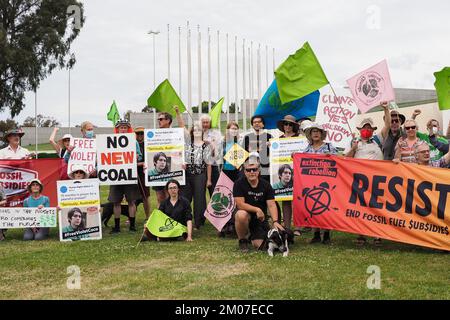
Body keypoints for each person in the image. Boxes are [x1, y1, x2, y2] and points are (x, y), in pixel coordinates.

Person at [233, 156, 283, 253]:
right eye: (248, 170)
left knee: (260, 246)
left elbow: (272, 205)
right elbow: (240, 205)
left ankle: (252, 235)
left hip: (259, 218)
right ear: (244, 171)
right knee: (241, 215)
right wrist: (257, 209)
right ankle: (242, 240)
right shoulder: (238, 184)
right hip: (245, 215)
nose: (252, 172)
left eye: (254, 169)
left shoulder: (266, 185)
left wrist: (276, 221)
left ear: (259, 170)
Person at [345, 118, 383, 246]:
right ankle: (361, 234)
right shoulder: (353, 142)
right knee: (361, 207)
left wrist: (385, 109)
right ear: (360, 130)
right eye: (364, 128)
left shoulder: (378, 140)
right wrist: (353, 149)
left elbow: (388, 125)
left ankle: (377, 235)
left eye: (369, 128)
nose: (366, 130)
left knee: (376, 207)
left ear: (373, 130)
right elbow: (346, 159)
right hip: (360, 180)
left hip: (376, 179)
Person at [303, 123, 338, 244]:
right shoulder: (307, 149)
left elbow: (338, 160)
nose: (316, 133)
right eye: (313, 132)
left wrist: (331, 157)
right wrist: (294, 156)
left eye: (318, 131)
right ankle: (316, 234)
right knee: (314, 207)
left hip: (326, 182)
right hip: (312, 183)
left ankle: (327, 234)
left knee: (327, 206)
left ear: (322, 134)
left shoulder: (329, 146)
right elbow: (301, 161)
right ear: (310, 135)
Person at [108, 119, 143, 234]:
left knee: (131, 201)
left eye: (125, 127)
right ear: (117, 129)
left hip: (129, 174)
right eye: (121, 127)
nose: (123, 129)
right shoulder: (110, 141)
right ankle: (117, 227)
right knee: (116, 202)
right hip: (116, 175)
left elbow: (139, 156)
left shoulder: (134, 142)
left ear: (128, 129)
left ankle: (132, 226)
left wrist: (137, 156)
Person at [181, 121, 212, 230]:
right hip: (187, 174)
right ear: (192, 132)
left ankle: (199, 222)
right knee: (185, 197)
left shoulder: (206, 145)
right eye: (195, 130)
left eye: (199, 130)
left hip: (200, 175)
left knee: (199, 199)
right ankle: (184, 219)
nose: (197, 131)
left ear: (202, 132)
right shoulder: (187, 144)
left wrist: (209, 180)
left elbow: (208, 164)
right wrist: (182, 164)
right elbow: (182, 158)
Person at [275, 115, 300, 233]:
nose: (288, 126)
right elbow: (274, 156)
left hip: (297, 172)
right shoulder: (278, 139)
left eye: (290, 124)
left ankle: (298, 227)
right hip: (285, 171)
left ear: (294, 126)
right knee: (286, 200)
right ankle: (287, 227)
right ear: (283, 126)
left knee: (298, 200)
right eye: (286, 124)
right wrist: (272, 147)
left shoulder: (299, 138)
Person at [243, 115, 273, 182]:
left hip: (265, 169)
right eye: (254, 122)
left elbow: (274, 154)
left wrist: (272, 146)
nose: (257, 123)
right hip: (251, 170)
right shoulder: (247, 137)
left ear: (263, 124)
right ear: (252, 125)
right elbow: (243, 155)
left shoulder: (270, 137)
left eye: (259, 122)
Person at [199, 114, 223, 196]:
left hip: (213, 165)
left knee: (214, 191)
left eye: (207, 122)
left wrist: (210, 144)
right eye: (203, 122)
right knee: (200, 192)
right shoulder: (197, 133)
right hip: (200, 167)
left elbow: (218, 150)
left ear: (210, 123)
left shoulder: (216, 133)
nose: (205, 124)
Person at [134, 126, 151, 221]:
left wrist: (140, 163)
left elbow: (149, 159)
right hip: (131, 171)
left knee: (146, 195)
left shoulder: (148, 144)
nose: (140, 135)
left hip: (143, 172)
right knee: (132, 197)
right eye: (138, 133)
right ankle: (131, 217)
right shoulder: (130, 143)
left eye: (142, 133)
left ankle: (147, 216)